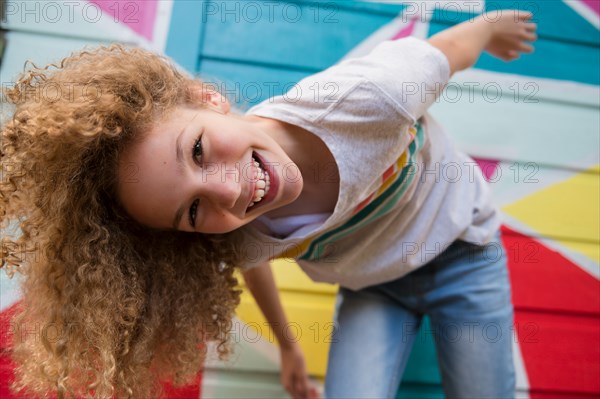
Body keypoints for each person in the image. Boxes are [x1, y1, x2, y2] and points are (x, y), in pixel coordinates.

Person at [0, 9, 537, 399]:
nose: (228, 191)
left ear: (206, 99)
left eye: (198, 151)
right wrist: (289, 346)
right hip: (375, 287)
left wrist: (490, 29)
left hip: (462, 253)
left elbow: (448, 53)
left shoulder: (369, 97)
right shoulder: (231, 230)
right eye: (191, 210)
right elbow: (251, 259)